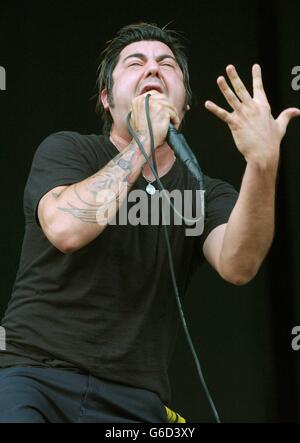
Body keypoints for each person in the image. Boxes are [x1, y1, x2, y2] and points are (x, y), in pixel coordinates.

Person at [0, 22, 299, 424]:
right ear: (107, 99)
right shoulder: (68, 149)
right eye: (134, 63)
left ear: (186, 103)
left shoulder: (204, 191)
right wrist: (141, 146)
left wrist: (263, 164)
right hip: (34, 378)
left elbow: (239, 264)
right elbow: (66, 229)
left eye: (166, 64)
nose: (153, 69)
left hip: (134, 399)